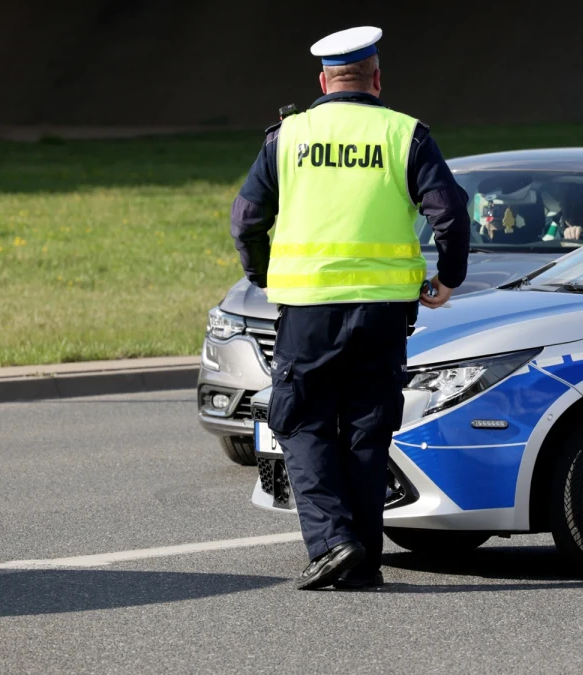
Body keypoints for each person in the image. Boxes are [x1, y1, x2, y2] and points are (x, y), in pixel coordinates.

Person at [230, 26, 470, 591]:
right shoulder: (404, 133)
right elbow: (450, 213)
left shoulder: (288, 137)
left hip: (309, 310)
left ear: (323, 81)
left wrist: (262, 273)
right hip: (384, 313)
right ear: (377, 78)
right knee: (367, 430)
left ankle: (333, 542)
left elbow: (245, 219)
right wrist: (448, 278)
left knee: (301, 421)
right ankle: (361, 561)